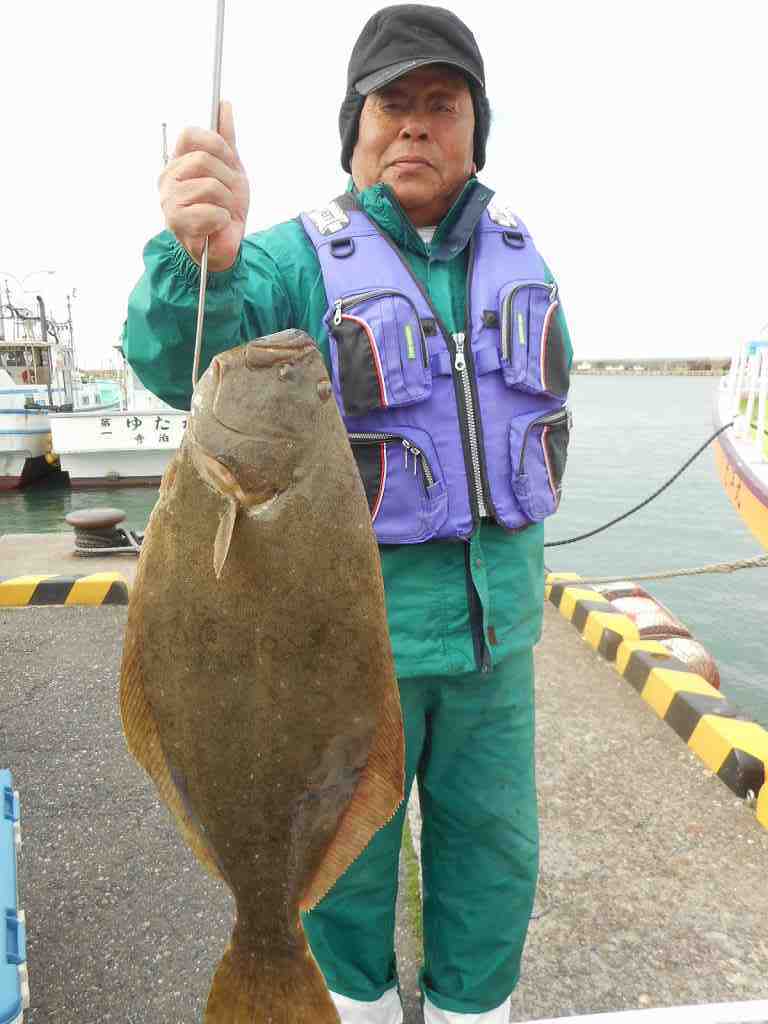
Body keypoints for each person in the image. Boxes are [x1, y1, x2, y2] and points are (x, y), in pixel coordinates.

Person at [123, 5, 573, 1022]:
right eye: (393, 104)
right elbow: (182, 357)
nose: (415, 125)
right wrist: (199, 256)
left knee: (497, 866)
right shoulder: (289, 260)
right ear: (355, 130)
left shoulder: (520, 258)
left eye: (440, 104)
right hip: (341, 651)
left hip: (496, 646)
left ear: (475, 128)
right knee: (344, 883)